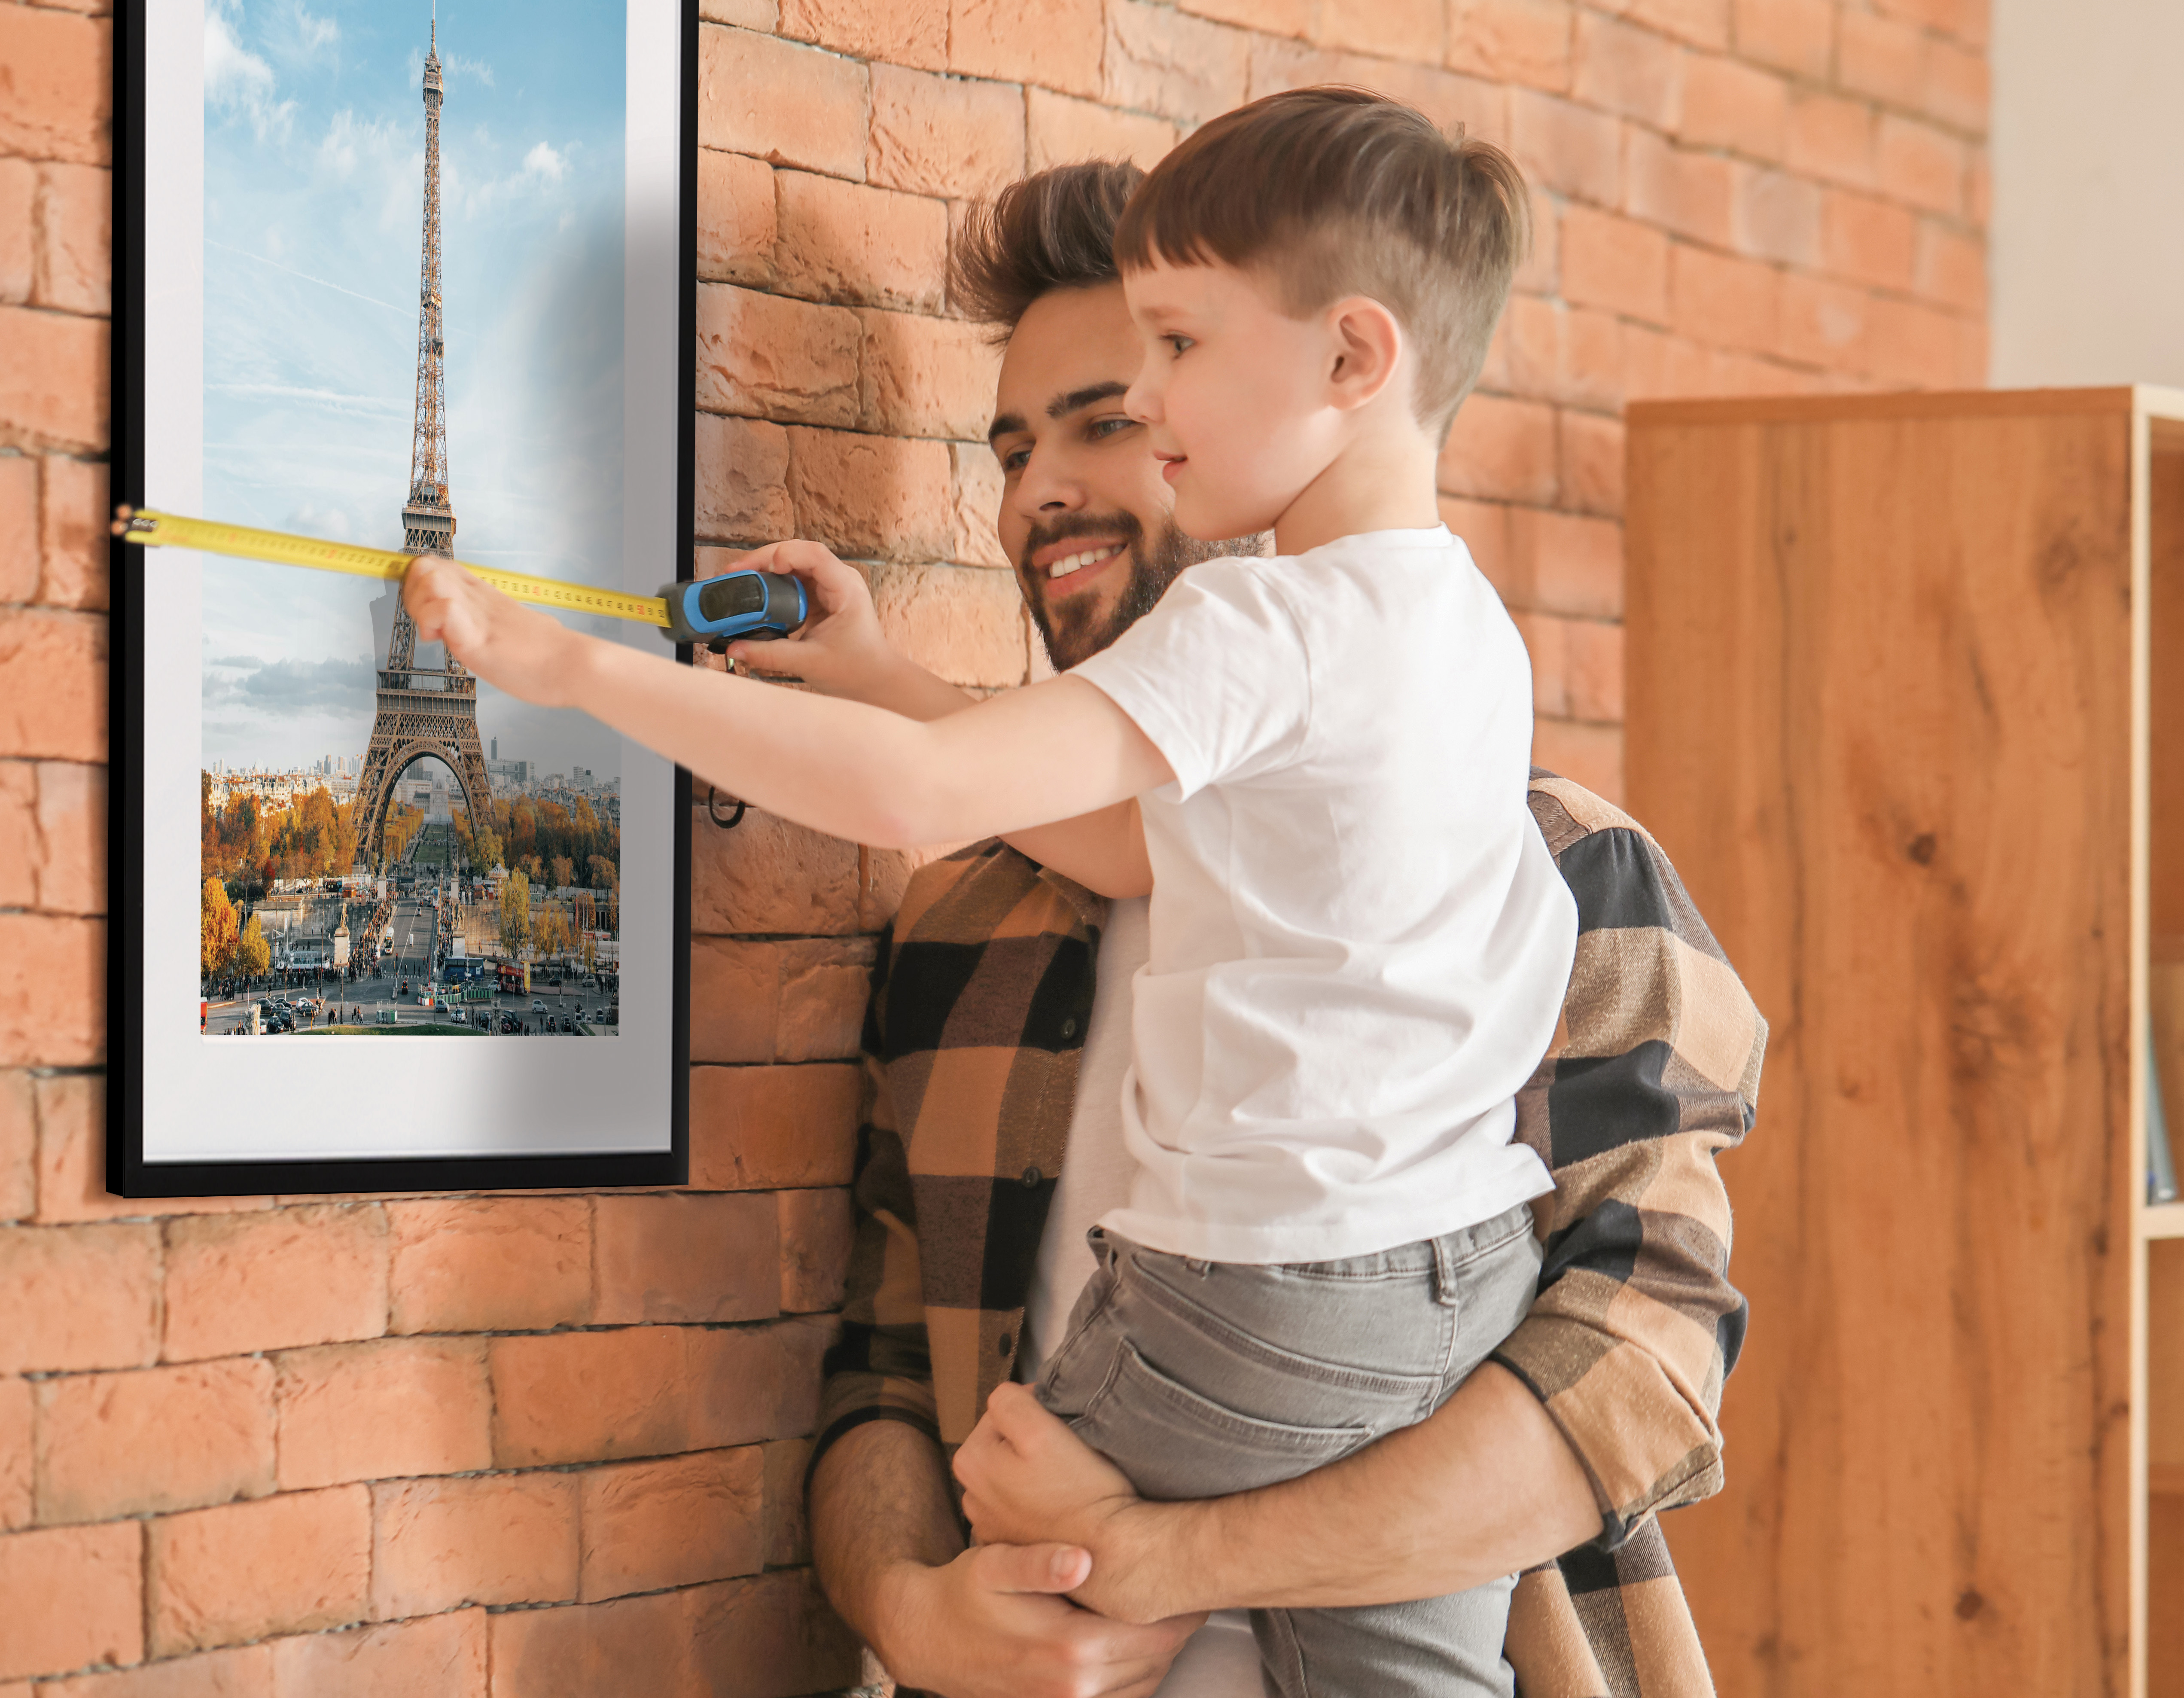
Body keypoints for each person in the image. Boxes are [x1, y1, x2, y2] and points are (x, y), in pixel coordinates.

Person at [406, 85, 1635, 1692]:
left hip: (1261, 1292)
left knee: (1013, 1478)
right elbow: (1136, 841)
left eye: (1153, 377)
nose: (1077, 455)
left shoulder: (1275, 640)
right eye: (1016, 441)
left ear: (1350, 359)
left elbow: (1642, 1376)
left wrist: (569, 667)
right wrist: (877, 674)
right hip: (1450, 1267)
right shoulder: (1460, 631)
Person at [712, 158, 1765, 1698]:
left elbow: (1637, 1379)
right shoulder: (966, 917)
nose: (1038, 492)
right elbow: (884, 1370)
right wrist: (912, 1614)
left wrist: (1160, 1557)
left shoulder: (1555, 870)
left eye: (1117, 417)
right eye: (1013, 447)